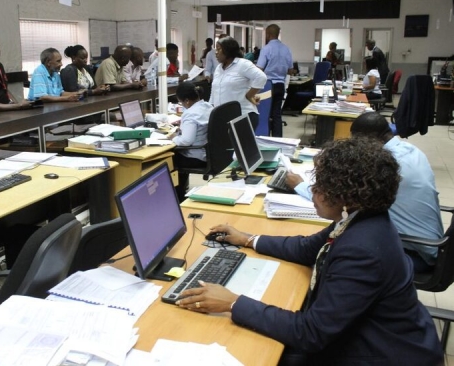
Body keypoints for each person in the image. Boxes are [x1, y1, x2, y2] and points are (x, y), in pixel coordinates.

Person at [177, 138, 443, 365]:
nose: (313, 191)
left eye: (320, 186)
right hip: (366, 335)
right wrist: (248, 239)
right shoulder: (362, 218)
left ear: (345, 195)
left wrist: (232, 303)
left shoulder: (363, 249)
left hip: (381, 354)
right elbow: (307, 248)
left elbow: (312, 332)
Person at [285, 112, 443, 272]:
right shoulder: (410, 150)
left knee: (323, 256)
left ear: (368, 141)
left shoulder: (389, 165)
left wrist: (299, 184)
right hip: (425, 243)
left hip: (415, 251)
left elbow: (337, 196)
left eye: (356, 142)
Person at [168, 81, 213, 199]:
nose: (181, 104)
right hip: (208, 152)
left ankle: (178, 196)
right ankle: (182, 190)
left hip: (195, 156)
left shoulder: (190, 114)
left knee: (169, 158)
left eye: (181, 101)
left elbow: (186, 141)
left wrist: (173, 139)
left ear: (187, 100)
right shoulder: (207, 106)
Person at [210, 36, 267, 130]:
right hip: (223, 118)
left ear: (228, 50)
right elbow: (214, 93)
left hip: (243, 116)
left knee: (241, 144)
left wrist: (249, 95)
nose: (216, 53)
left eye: (219, 49)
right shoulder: (218, 68)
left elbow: (261, 77)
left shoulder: (242, 64)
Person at [256, 24, 293, 137]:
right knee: (277, 114)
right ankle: (278, 140)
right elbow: (291, 71)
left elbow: (259, 69)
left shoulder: (266, 49)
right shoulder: (286, 49)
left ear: (268, 34)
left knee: (265, 114)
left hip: (268, 85)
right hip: (280, 85)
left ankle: (265, 138)